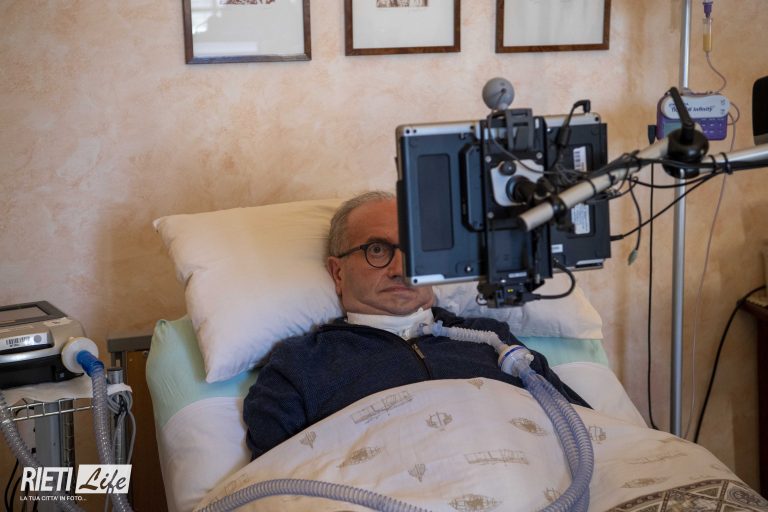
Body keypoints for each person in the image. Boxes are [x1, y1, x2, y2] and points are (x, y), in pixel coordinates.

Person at [243, 191, 589, 460]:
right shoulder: (301, 365)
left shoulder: (491, 339)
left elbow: (588, 431)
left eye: (418, 251)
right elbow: (273, 488)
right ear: (338, 272)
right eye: (377, 250)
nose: (401, 269)